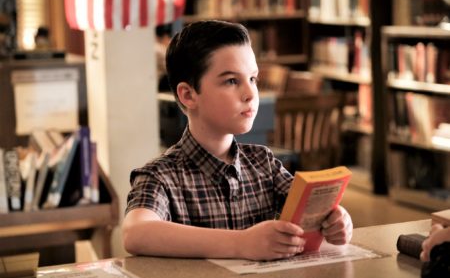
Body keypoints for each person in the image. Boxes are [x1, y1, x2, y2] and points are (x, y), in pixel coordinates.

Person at [122, 20, 353, 261]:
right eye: (232, 81)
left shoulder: (263, 162)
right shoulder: (159, 176)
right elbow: (135, 233)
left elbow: (310, 210)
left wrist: (335, 220)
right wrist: (241, 243)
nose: (250, 93)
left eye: (253, 79)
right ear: (188, 94)